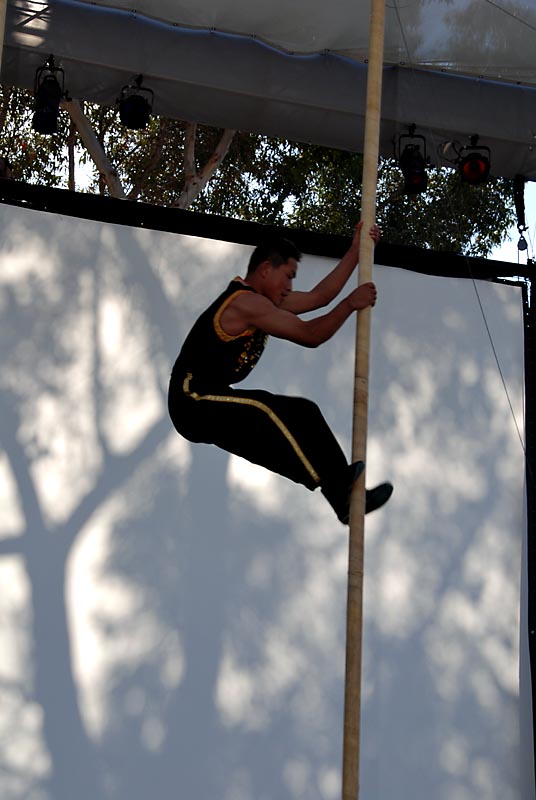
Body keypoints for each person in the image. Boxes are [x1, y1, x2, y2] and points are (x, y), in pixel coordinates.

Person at [168, 222, 393, 523]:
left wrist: (356, 250)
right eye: (287, 277)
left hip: (212, 395)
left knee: (304, 412)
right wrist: (351, 304)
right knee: (265, 410)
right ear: (265, 270)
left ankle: (344, 499)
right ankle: (332, 481)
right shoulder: (247, 303)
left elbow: (319, 297)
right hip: (190, 399)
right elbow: (310, 335)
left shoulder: (269, 302)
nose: (289, 287)